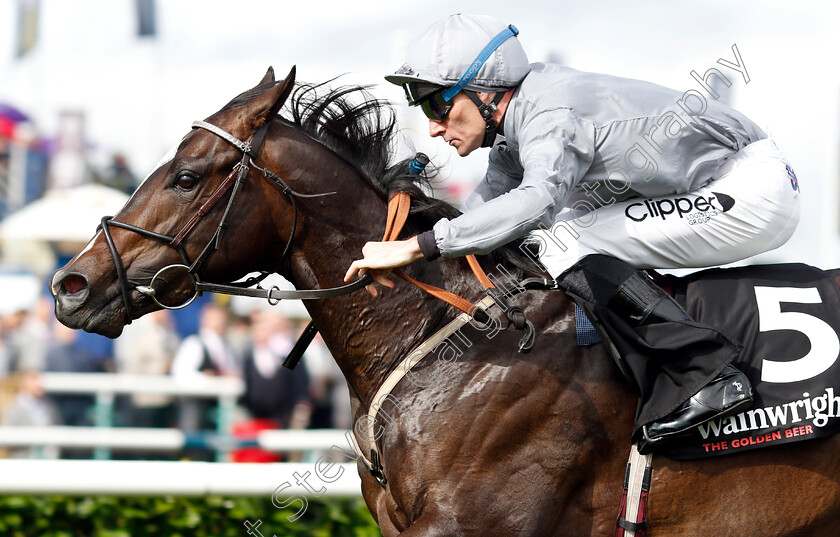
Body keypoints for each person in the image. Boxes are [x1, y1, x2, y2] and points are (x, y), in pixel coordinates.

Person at [344, 14, 801, 448]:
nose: (433, 125)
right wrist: (406, 248)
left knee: (563, 240)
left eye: (438, 102)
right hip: (729, 181)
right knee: (560, 236)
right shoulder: (514, 120)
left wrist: (419, 246)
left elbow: (535, 204)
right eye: (423, 106)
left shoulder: (550, 114)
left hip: (751, 188)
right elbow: (484, 212)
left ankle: (707, 373)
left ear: (484, 91)